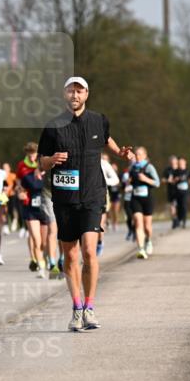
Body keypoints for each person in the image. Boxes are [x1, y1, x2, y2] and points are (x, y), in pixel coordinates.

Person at [38, 76, 134, 332]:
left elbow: (107, 139)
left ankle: (90, 308)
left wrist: (119, 153)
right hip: (64, 198)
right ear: (65, 94)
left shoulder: (98, 120)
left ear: (86, 95)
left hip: (92, 195)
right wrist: (51, 160)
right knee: (70, 255)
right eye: (71, 91)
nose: (75, 95)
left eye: (79, 91)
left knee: (89, 251)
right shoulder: (53, 126)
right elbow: (41, 162)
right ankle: (77, 307)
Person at [17, 142, 50, 278]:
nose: (31, 156)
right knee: (36, 239)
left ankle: (45, 259)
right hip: (29, 205)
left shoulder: (45, 164)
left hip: (45, 205)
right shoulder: (22, 165)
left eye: (34, 154)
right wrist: (20, 191)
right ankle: (40, 266)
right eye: (29, 154)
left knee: (44, 242)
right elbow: (19, 183)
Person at [128, 146, 160, 258]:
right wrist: (128, 182)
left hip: (148, 199)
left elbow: (157, 183)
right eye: (136, 154)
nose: (137, 156)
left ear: (145, 156)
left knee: (147, 226)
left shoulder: (149, 167)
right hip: (135, 198)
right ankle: (141, 249)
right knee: (138, 222)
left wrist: (145, 179)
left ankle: (149, 240)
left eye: (140, 154)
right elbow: (129, 181)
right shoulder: (132, 167)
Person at [100, 153, 121, 253]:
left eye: (105, 158)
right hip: (87, 196)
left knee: (112, 212)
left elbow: (116, 180)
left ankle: (100, 241)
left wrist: (104, 181)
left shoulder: (105, 165)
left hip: (105, 194)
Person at [104, 153, 123, 233]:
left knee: (115, 210)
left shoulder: (118, 174)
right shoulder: (105, 172)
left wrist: (119, 184)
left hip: (117, 194)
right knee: (107, 210)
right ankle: (107, 221)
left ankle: (115, 223)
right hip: (109, 193)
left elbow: (122, 184)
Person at [173, 157, 190, 229]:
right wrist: (176, 179)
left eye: (182, 162)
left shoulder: (188, 171)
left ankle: (184, 221)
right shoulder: (175, 172)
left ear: (185, 162)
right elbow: (172, 181)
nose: (180, 163)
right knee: (179, 206)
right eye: (179, 162)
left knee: (184, 205)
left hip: (185, 192)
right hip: (177, 192)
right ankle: (179, 219)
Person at [162, 155, 179, 229]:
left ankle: (178, 219)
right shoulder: (167, 170)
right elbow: (162, 180)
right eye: (171, 162)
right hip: (171, 190)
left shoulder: (179, 169)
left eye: (174, 162)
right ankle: (175, 220)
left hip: (180, 191)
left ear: (177, 161)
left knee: (179, 206)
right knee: (172, 206)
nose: (173, 163)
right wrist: (167, 180)